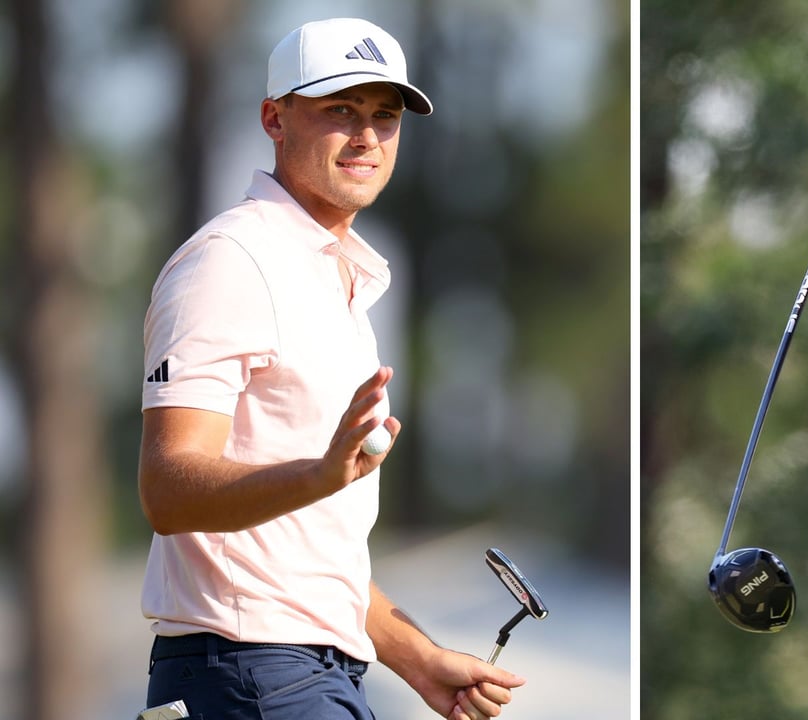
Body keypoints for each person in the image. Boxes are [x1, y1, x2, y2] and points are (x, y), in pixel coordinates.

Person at [137, 18, 524, 720]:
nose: (367, 137)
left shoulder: (339, 283)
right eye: (339, 110)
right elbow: (167, 490)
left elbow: (299, 554)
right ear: (274, 118)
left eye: (384, 117)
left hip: (305, 675)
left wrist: (415, 658)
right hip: (247, 671)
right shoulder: (230, 260)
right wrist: (316, 475)